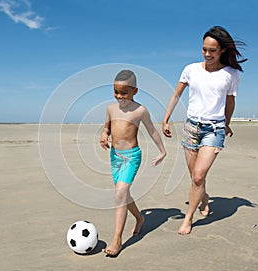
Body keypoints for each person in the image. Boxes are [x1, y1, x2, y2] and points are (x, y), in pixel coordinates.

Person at [162, 26, 247, 235]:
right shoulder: (190, 69)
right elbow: (176, 95)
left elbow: (229, 102)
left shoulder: (232, 74)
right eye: (204, 49)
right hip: (191, 127)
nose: (207, 54)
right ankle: (204, 197)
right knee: (195, 177)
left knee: (198, 176)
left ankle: (188, 218)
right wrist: (166, 119)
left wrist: (226, 123)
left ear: (222, 51)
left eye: (213, 51)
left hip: (214, 129)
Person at [100, 69, 167, 256]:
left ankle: (117, 240)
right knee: (123, 195)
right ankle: (139, 218)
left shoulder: (140, 110)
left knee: (119, 195)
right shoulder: (110, 109)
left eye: (124, 92)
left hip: (132, 157)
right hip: (114, 156)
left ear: (134, 91)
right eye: (116, 92)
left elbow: (153, 131)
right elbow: (106, 128)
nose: (119, 96)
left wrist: (163, 151)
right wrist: (104, 135)